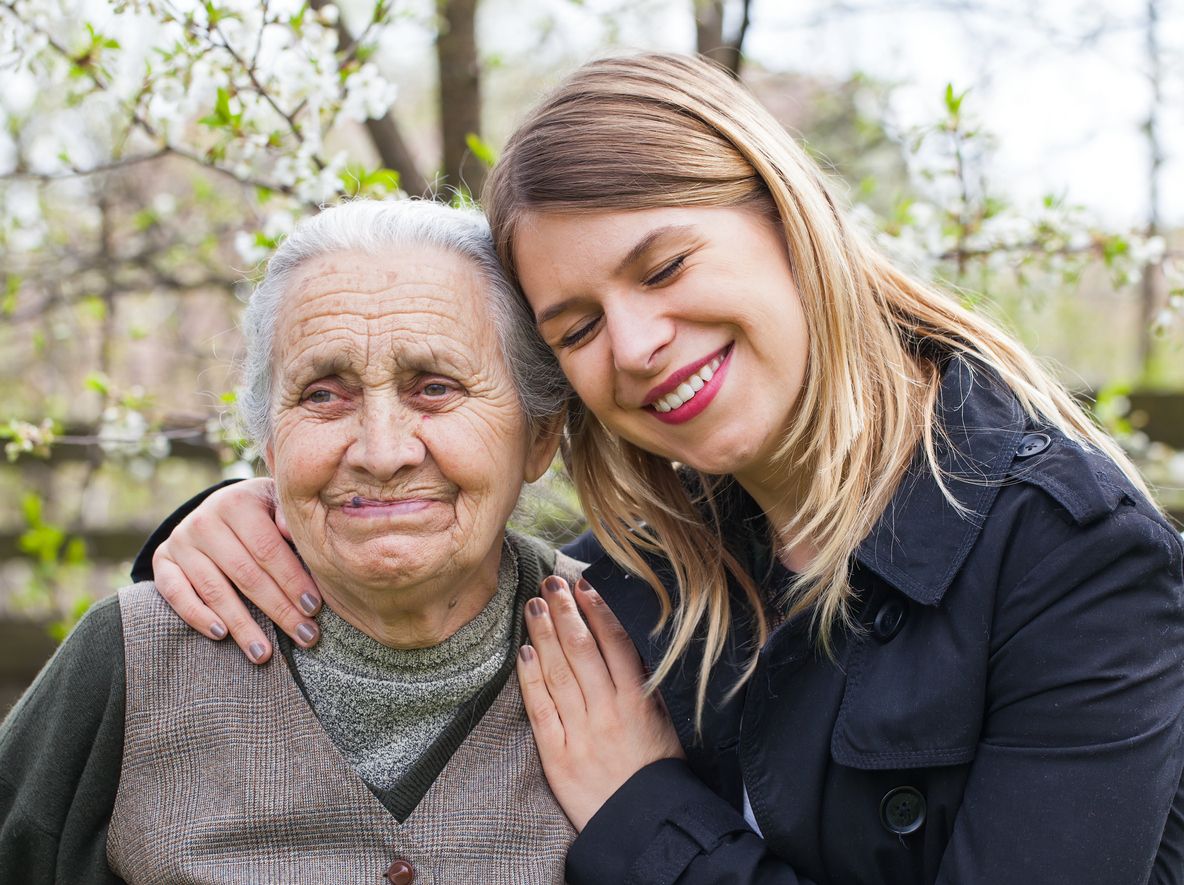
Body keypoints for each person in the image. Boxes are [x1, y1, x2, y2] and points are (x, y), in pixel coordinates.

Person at [136, 54, 1184, 884]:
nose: (634, 344)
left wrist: (645, 814)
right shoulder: (647, 568)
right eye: (577, 324)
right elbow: (433, 569)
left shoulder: (1071, 561)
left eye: (664, 266)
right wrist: (229, 525)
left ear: (784, 216)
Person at [0, 199, 594, 884]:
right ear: (269, 444)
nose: (381, 450)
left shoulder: (636, 649)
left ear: (541, 433)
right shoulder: (132, 657)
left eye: (434, 387)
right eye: (323, 395)